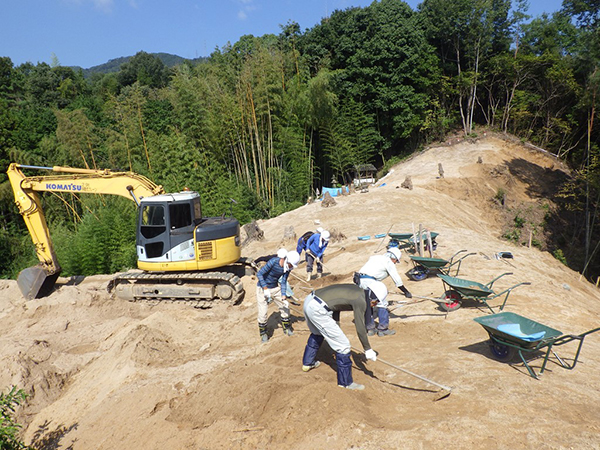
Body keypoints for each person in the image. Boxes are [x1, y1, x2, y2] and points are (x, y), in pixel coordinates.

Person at [301, 283, 377, 390]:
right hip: (318, 309)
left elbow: (336, 306)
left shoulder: (357, 290)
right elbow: (360, 326)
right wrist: (367, 348)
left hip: (310, 300)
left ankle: (308, 363)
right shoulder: (361, 300)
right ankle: (345, 383)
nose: (375, 305)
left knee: (317, 333)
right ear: (372, 298)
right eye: (376, 302)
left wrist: (336, 326)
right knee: (343, 346)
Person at [355, 246, 412, 337]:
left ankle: (370, 329)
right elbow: (397, 280)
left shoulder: (376, 258)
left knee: (369, 304)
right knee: (382, 303)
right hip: (371, 282)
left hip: (360, 282)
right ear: (393, 258)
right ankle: (383, 329)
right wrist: (406, 292)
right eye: (396, 261)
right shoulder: (388, 262)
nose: (395, 263)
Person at [256, 250, 300, 343]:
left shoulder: (287, 268)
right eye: (291, 265)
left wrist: (283, 295)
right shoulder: (273, 262)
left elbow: (283, 281)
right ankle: (263, 333)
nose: (291, 267)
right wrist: (265, 288)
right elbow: (259, 274)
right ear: (286, 260)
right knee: (263, 313)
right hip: (262, 288)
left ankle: (287, 328)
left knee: (285, 307)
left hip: (275, 288)